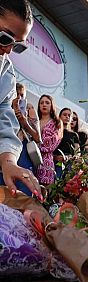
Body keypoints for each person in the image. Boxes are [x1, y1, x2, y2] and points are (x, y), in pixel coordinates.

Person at [0, 0, 41, 198]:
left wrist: (8, 161)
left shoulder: (5, 71)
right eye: (5, 38)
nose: (8, 50)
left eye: (17, 46)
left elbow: (4, 118)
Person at [0, 83, 41, 195]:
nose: (19, 98)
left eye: (22, 95)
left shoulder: (29, 109)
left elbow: (38, 138)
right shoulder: (4, 107)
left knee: (24, 188)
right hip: (5, 151)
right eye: (16, 95)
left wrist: (23, 120)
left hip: (24, 152)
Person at [36, 95, 62, 186]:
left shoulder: (56, 122)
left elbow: (52, 144)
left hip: (46, 160)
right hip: (30, 158)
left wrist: (36, 144)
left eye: (47, 102)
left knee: (43, 192)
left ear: (52, 105)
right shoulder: (34, 121)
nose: (44, 105)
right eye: (41, 102)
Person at [53, 107, 80, 178]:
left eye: (69, 115)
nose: (67, 117)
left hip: (70, 163)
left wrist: (75, 157)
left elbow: (78, 151)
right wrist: (55, 157)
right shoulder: (54, 131)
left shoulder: (74, 135)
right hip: (56, 162)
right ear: (60, 116)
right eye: (64, 114)